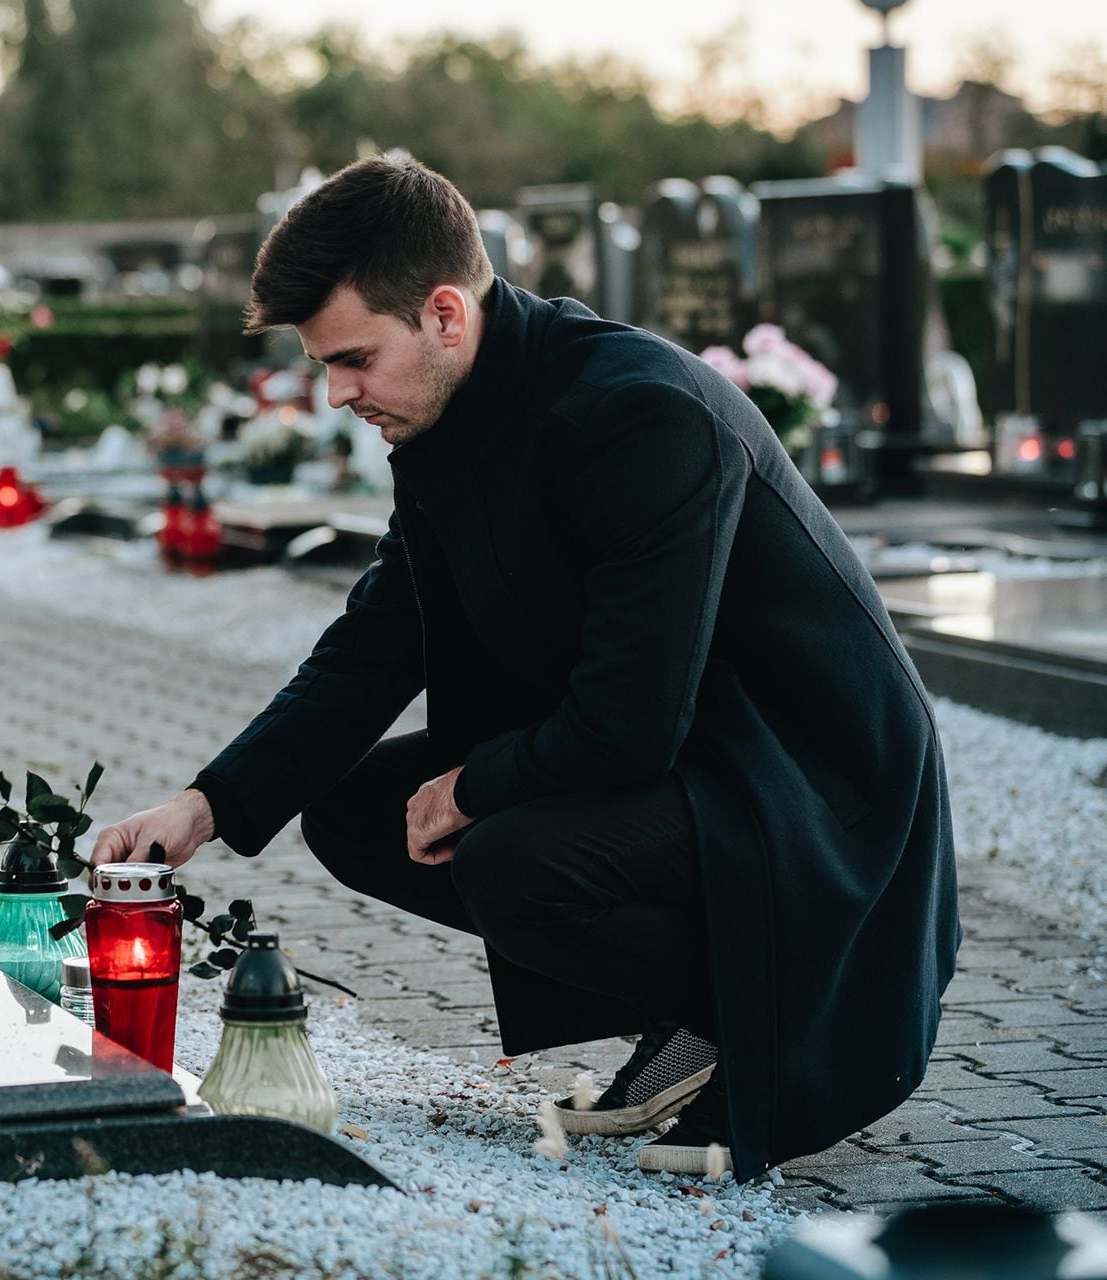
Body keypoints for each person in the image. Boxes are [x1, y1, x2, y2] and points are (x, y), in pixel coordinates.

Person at [91, 153, 959, 1180]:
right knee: (359, 810)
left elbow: (632, 718)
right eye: (327, 364)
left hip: (811, 786)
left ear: (446, 315)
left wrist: (479, 781)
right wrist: (206, 803)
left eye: (355, 358)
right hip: (698, 752)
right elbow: (377, 641)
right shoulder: (451, 414)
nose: (336, 394)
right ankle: (699, 1017)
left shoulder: (642, 412)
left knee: (509, 854)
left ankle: (764, 1019)